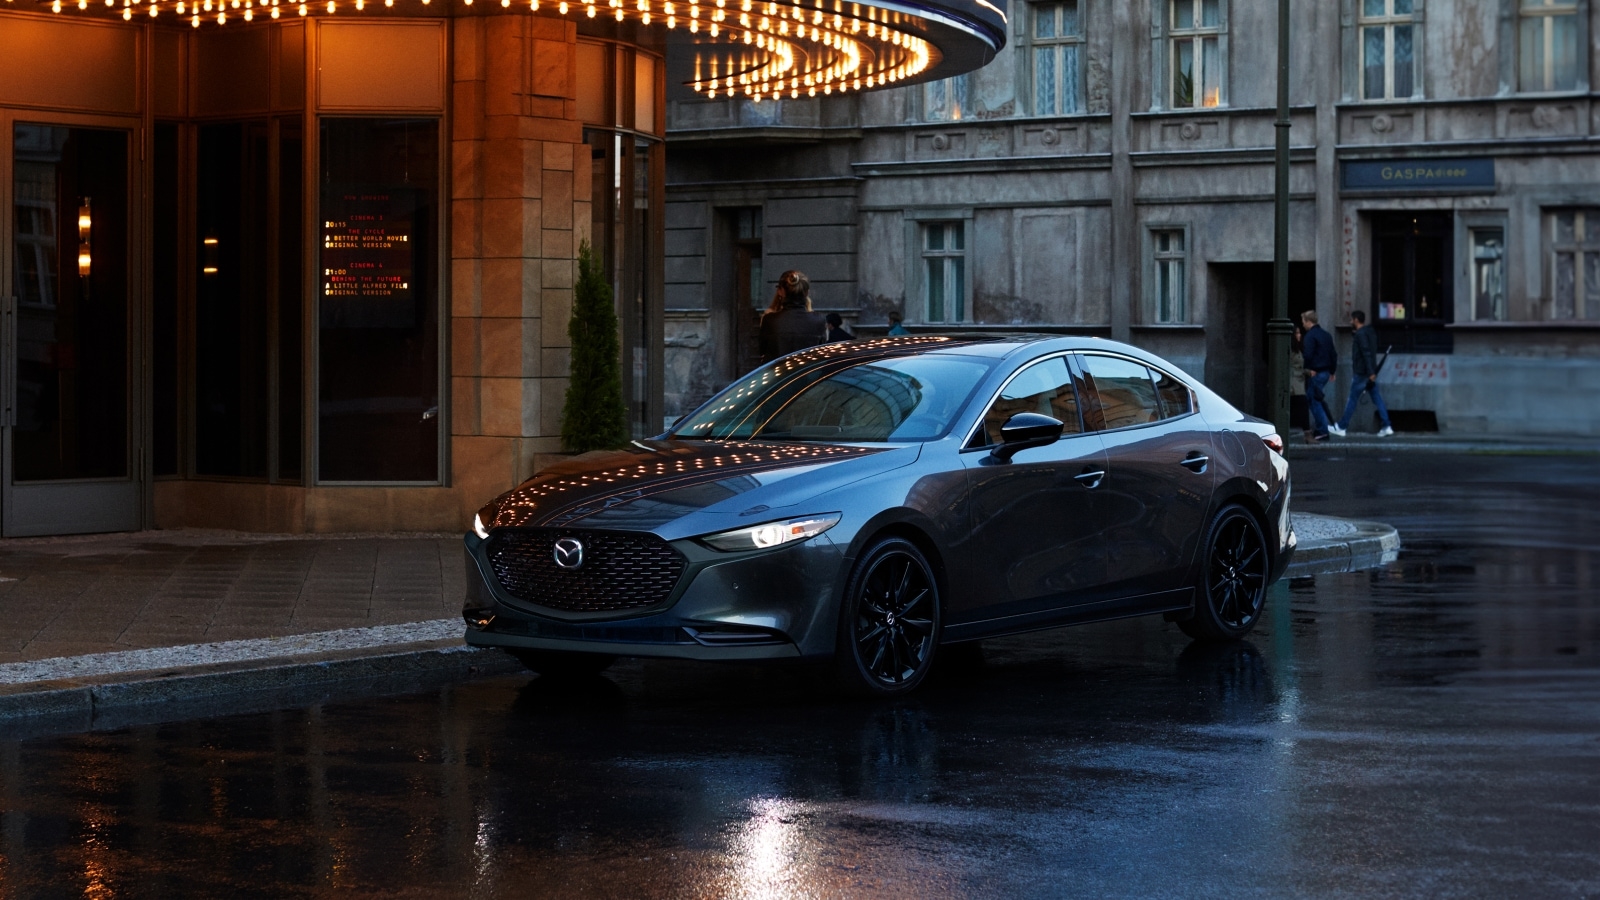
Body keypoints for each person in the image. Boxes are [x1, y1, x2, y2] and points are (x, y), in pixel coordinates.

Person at [1329, 310, 1394, 438]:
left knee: (1352, 400)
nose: (1350, 322)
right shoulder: (1369, 333)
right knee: (1377, 398)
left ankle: (1342, 427)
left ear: (1356, 320)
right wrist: (1372, 372)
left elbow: (1365, 353)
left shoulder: (1360, 335)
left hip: (1362, 373)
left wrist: (1370, 372)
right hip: (1368, 372)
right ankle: (1386, 425)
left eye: (1352, 319)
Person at [758, 270, 827, 363]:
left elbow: (762, 350)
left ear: (781, 291)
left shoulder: (770, 320)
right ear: (807, 293)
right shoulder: (819, 321)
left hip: (779, 375)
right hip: (808, 376)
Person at [1299, 309, 1337, 442]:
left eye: (1303, 321)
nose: (1302, 324)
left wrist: (1305, 370)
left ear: (1309, 322)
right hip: (1326, 372)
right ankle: (1321, 429)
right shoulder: (1326, 335)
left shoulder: (1310, 336)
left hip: (1315, 372)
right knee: (1317, 400)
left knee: (1314, 402)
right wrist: (1332, 371)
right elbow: (1333, 354)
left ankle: (1322, 431)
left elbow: (1308, 355)